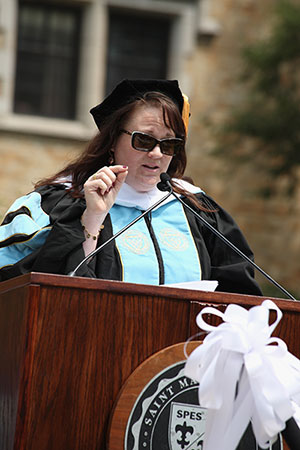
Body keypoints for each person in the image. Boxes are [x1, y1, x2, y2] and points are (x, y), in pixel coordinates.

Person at [0, 79, 261, 295]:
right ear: (113, 139)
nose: (157, 154)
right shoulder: (55, 204)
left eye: (169, 144)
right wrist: (92, 218)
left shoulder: (198, 210)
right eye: (144, 141)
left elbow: (239, 297)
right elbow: (27, 291)